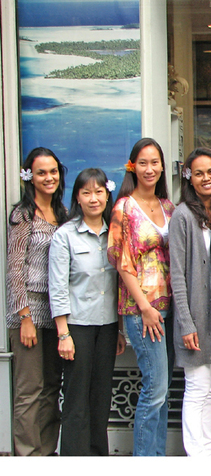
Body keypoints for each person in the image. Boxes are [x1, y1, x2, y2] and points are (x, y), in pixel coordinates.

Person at [48, 168, 126, 456]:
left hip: (106, 326)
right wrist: (63, 334)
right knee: (76, 398)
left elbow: (119, 283)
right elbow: (57, 288)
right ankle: (73, 460)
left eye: (99, 192)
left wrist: (118, 329)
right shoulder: (65, 236)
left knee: (101, 396)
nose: (94, 199)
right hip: (77, 327)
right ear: (77, 198)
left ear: (107, 195)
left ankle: (97, 458)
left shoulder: (115, 234)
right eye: (86, 193)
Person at [107, 138, 175, 456]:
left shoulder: (168, 207)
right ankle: (144, 461)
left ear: (163, 167)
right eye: (143, 163)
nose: (150, 169)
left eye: (155, 162)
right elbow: (123, 264)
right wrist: (146, 308)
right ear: (132, 166)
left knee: (162, 391)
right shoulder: (124, 207)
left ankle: (156, 458)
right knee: (155, 388)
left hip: (169, 308)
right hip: (142, 310)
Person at [169, 148, 211, 456]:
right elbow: (177, 276)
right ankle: (198, 457)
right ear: (189, 178)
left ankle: (205, 451)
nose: (206, 178)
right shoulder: (182, 216)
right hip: (193, 317)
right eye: (198, 173)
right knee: (196, 388)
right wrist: (185, 323)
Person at [6, 147, 68, 456]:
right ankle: (27, 457)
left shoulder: (64, 214)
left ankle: (46, 452)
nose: (49, 177)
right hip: (29, 312)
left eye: (53, 171)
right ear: (29, 177)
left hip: (56, 314)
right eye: (41, 172)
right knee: (29, 390)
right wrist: (24, 317)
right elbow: (14, 269)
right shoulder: (23, 214)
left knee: (51, 388)